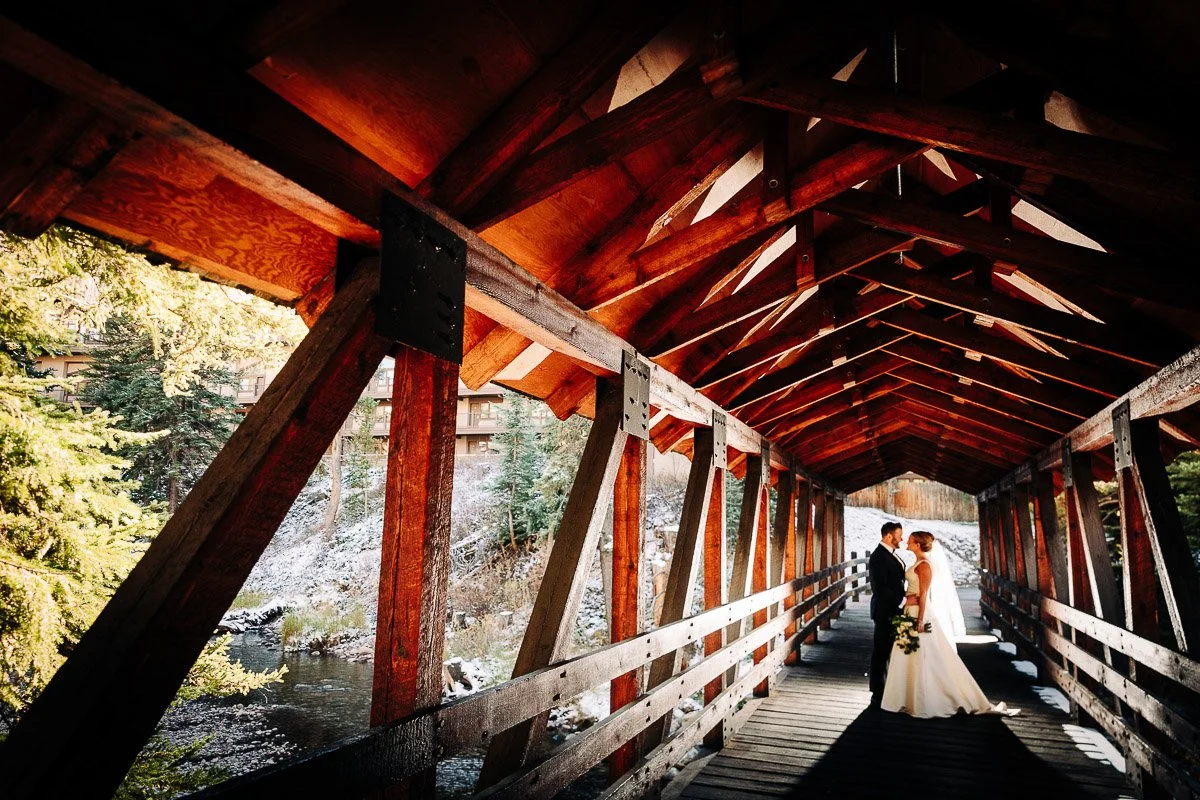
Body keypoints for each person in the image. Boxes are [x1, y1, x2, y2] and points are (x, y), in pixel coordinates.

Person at [881, 531, 1008, 717]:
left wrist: (920, 619)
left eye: (910, 540)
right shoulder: (917, 562)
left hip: (918, 613)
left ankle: (927, 699)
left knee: (924, 655)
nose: (906, 541)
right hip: (909, 611)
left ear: (918, 544)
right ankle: (907, 698)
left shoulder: (924, 565)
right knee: (909, 654)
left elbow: (924, 594)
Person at [867, 521, 906, 711]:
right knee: (881, 650)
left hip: (894, 609)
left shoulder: (889, 554)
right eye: (899, 535)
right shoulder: (878, 557)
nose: (902, 538)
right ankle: (877, 693)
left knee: (888, 650)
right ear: (889, 536)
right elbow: (880, 589)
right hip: (885, 611)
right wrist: (901, 602)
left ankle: (887, 688)